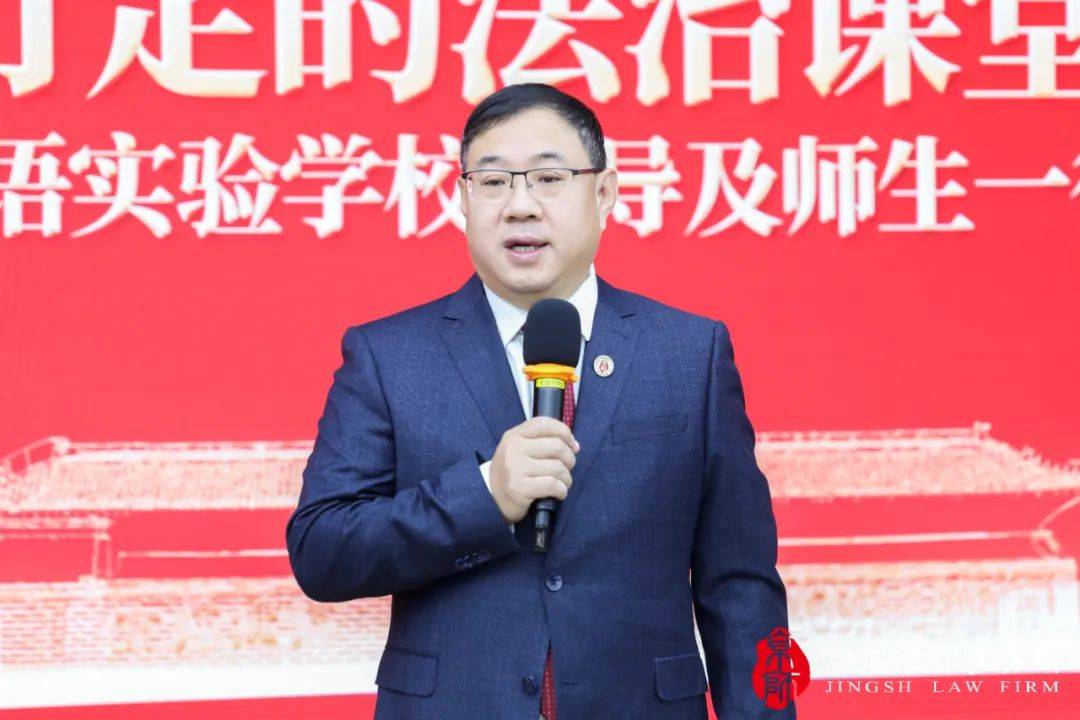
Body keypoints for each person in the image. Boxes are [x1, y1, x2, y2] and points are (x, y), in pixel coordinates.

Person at [285, 82, 793, 720]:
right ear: (463, 198)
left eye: (550, 179)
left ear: (603, 193)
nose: (520, 206)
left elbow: (742, 586)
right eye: (494, 182)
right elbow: (322, 551)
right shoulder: (390, 356)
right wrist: (483, 496)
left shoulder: (690, 353)